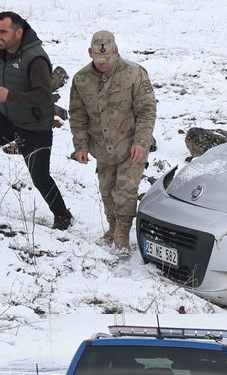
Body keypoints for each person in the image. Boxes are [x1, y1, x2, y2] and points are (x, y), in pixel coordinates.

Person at [0, 11, 72, 229]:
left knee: (40, 178)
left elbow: (44, 95)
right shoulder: (0, 50)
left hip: (35, 125)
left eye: (3, 31)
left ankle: (63, 216)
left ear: (19, 32)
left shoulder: (36, 59)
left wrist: (9, 97)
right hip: (7, 116)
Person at [69, 30, 157, 253]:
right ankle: (112, 227)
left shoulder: (134, 73)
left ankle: (122, 236)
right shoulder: (81, 79)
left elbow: (147, 112)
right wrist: (81, 146)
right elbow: (77, 116)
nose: (103, 64)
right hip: (102, 147)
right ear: (90, 53)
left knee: (125, 192)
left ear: (116, 51)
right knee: (107, 191)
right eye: (98, 60)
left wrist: (141, 141)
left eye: (108, 59)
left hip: (131, 145)